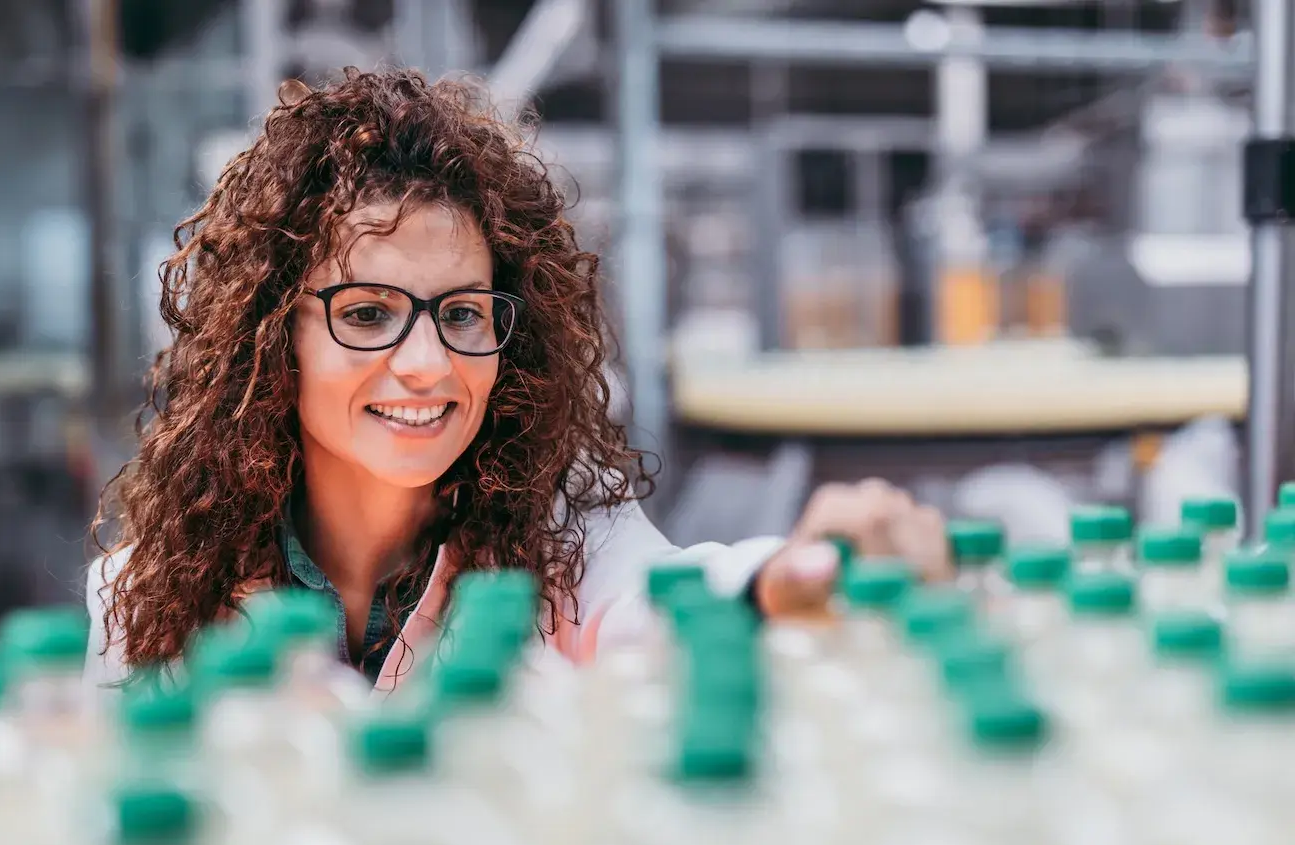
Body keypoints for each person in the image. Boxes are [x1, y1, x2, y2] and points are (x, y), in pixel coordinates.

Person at [85, 68, 951, 693]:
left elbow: (665, 603)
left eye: (463, 314)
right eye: (367, 313)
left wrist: (780, 584)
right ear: (275, 336)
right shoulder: (149, 594)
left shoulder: (564, 522)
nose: (426, 365)